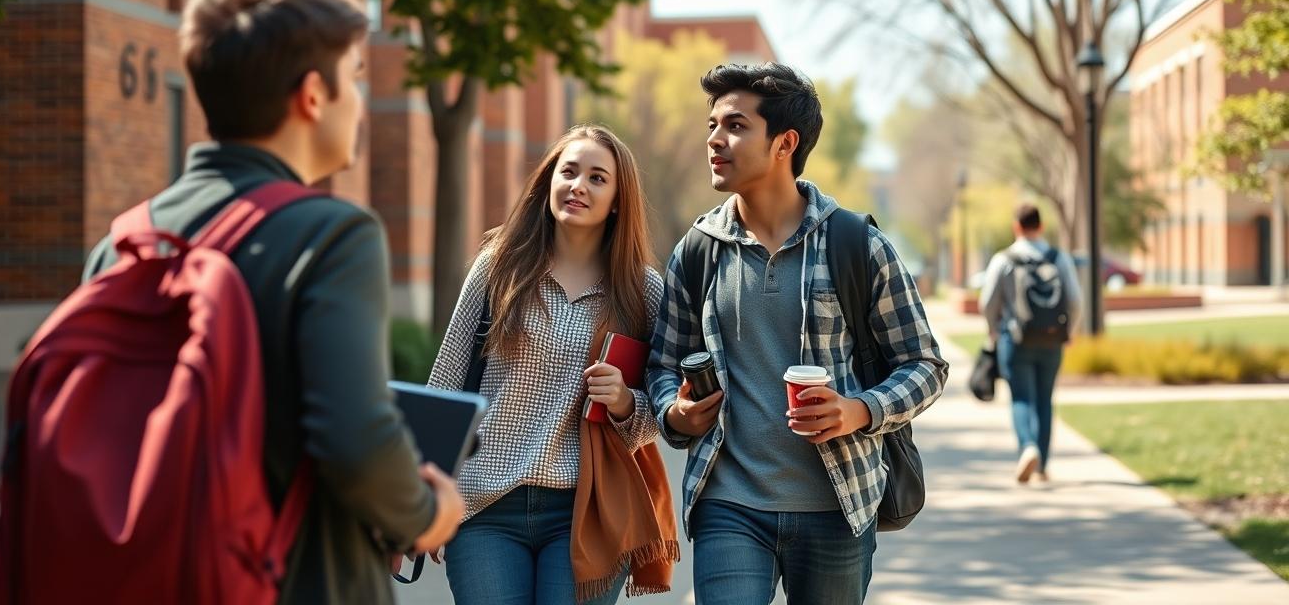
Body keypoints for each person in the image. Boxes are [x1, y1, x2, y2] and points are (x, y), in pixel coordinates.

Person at [82, 0, 463, 603]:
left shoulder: (123, 242)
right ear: (313, 95)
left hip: (150, 572)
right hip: (291, 578)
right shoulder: (334, 236)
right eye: (357, 79)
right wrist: (427, 515)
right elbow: (354, 437)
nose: (361, 103)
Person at [645, 63, 947, 605]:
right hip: (728, 506)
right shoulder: (699, 250)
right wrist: (675, 412)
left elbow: (925, 365)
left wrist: (859, 410)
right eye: (712, 125)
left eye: (735, 126)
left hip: (837, 507)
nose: (715, 139)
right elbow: (663, 367)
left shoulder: (856, 244)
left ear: (785, 143)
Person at [428, 124, 679, 605]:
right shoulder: (498, 265)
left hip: (586, 511)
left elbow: (658, 418)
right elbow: (446, 382)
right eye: (568, 172)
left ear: (618, 200)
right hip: (483, 505)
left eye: (597, 178)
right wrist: (423, 498)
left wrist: (626, 402)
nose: (578, 185)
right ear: (548, 182)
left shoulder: (643, 293)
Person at [979, 202, 1082, 483]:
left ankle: (1028, 447)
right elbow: (1075, 301)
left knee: (1021, 397)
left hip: (1015, 339)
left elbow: (987, 302)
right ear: (1041, 226)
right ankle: (1042, 465)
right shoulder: (1058, 257)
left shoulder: (1004, 259)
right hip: (1052, 341)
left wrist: (993, 331)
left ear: (1016, 227)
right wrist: (1068, 332)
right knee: (1045, 400)